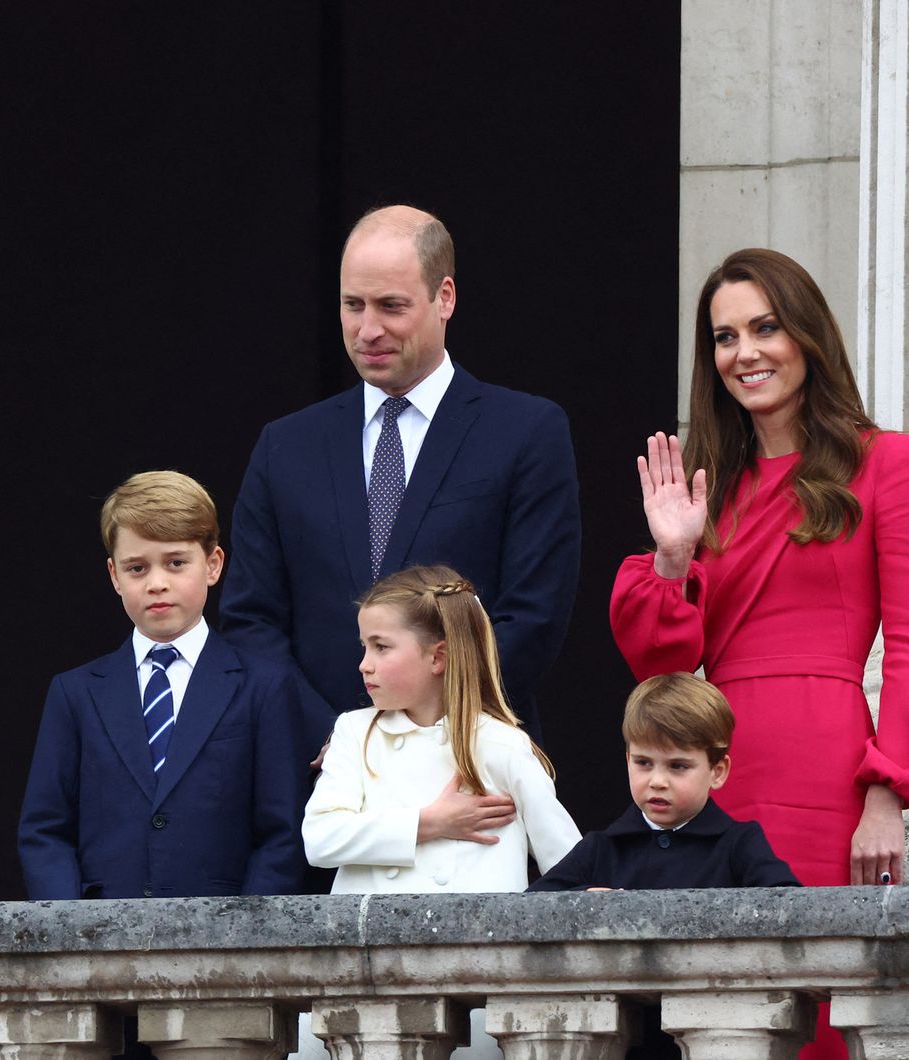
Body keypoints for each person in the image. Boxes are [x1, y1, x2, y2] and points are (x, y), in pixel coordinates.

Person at [610, 247, 909, 1060]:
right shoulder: (708, 487)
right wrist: (672, 555)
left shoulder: (882, 460)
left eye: (765, 327)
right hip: (723, 767)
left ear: (807, 336)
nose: (745, 352)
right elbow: (658, 662)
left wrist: (889, 789)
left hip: (828, 769)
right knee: (725, 1012)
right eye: (724, 335)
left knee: (816, 1008)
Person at [221, 205, 580, 744]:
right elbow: (252, 620)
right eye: (352, 305)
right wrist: (336, 738)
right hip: (319, 774)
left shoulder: (526, 432)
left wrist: (426, 733)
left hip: (469, 762)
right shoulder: (285, 446)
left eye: (391, 306)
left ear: (446, 298)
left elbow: (533, 616)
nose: (369, 330)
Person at [18, 470, 310, 900]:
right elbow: (45, 830)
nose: (157, 582)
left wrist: (247, 941)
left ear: (213, 565)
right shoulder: (76, 693)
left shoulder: (264, 687)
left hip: (225, 938)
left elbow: (281, 834)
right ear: (115, 576)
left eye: (176, 562)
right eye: (137, 568)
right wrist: (70, 931)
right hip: (98, 938)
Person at [302, 565, 579, 893]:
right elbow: (320, 840)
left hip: (474, 941)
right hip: (368, 941)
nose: (364, 663)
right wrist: (429, 823)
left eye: (381, 647)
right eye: (364, 646)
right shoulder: (354, 732)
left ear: (438, 658)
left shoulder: (501, 744)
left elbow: (567, 862)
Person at [528, 673, 799, 891]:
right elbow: (530, 908)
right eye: (643, 763)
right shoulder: (601, 848)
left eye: (678, 766)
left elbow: (789, 907)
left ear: (717, 771)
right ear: (627, 759)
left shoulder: (739, 845)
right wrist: (583, 900)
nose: (657, 781)